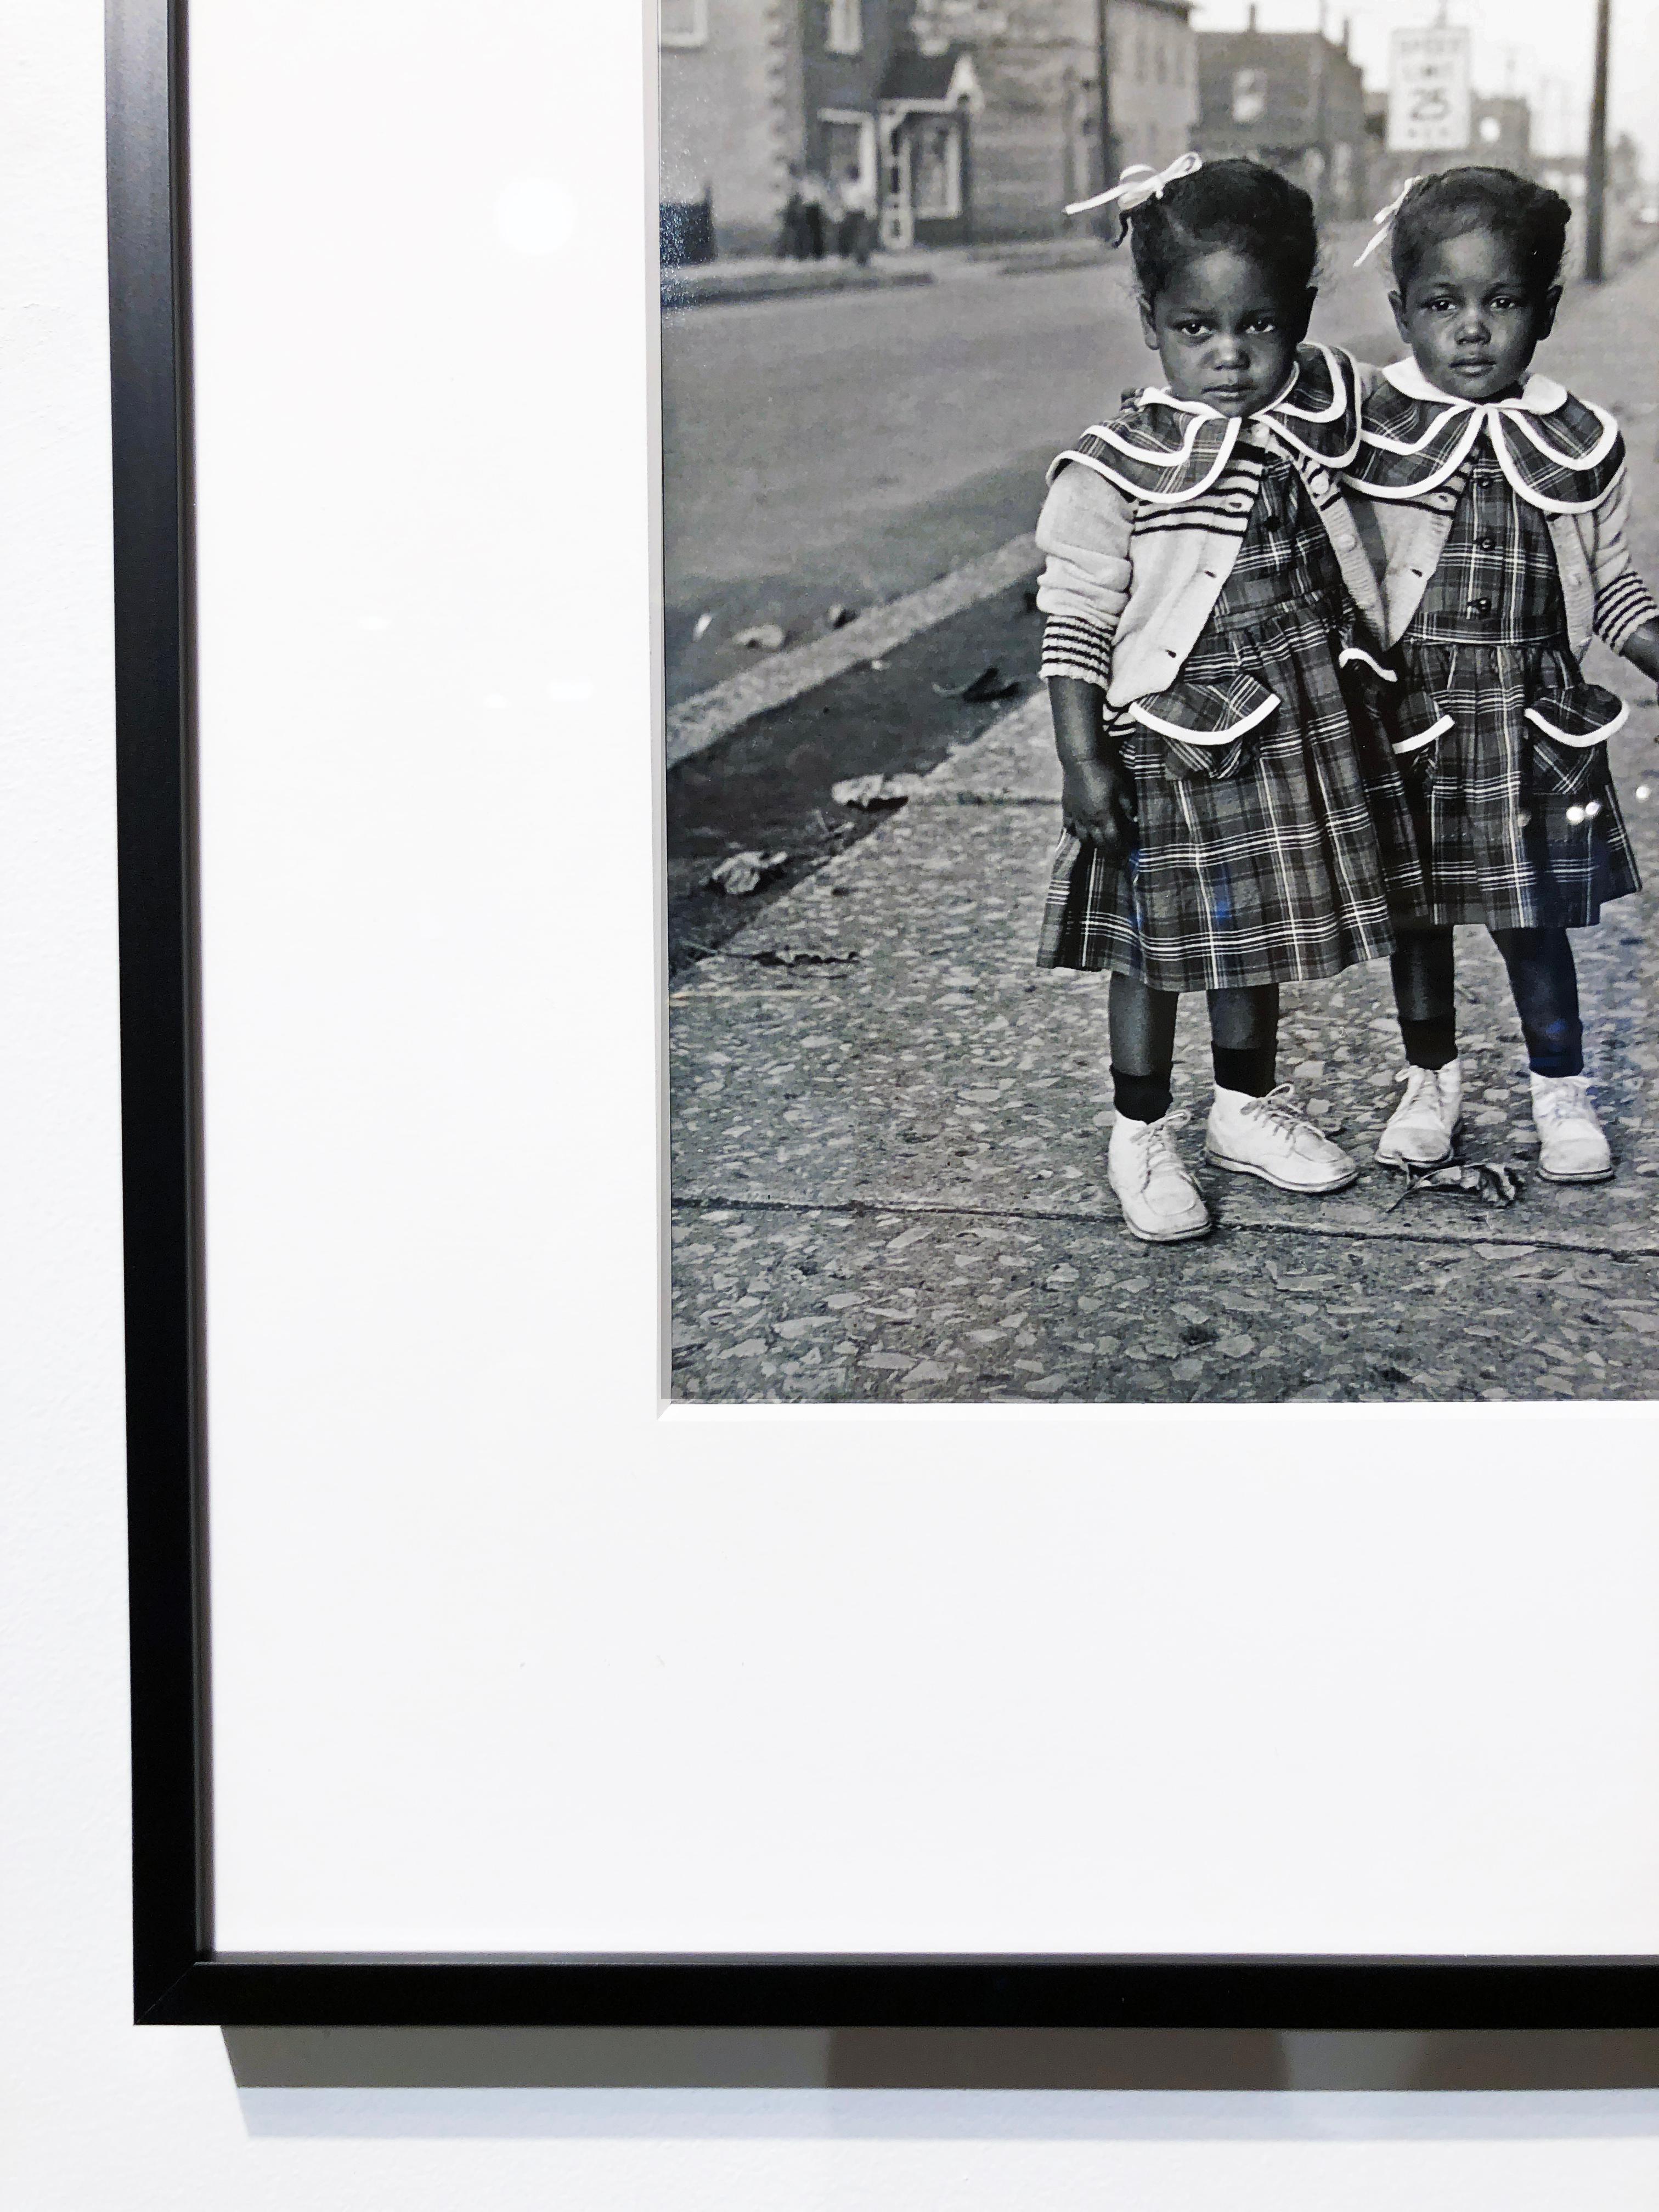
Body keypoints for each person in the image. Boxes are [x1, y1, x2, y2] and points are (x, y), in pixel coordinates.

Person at [1035, 155, 1425, 1244]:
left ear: (1298, 317)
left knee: (1255, 936)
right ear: (1152, 320)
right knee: (1157, 948)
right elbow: (1073, 621)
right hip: (1168, 743)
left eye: (1259, 327)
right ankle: (1140, 1129)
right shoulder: (1117, 469)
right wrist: (1082, 760)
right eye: (1197, 328)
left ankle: (1244, 1107)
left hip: (1289, 731)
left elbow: (1403, 408)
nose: (1230, 355)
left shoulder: (1313, 416)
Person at [1345, 168, 1659, 1184]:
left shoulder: (1575, 447)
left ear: (1545, 311)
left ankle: (1556, 1087)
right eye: (1441, 304)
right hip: (1417, 722)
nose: (1471, 329)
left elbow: (1614, 595)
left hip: (1528, 725)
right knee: (1420, 919)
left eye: (1501, 301)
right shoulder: (1373, 433)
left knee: (1530, 922)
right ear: (1400, 312)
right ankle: (1427, 1078)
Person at [837, 163, 876, 265]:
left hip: (859, 213)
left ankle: (862, 259)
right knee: (846, 234)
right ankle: (845, 255)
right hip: (849, 213)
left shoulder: (862, 187)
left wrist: (870, 212)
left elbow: (867, 201)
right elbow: (843, 201)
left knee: (861, 237)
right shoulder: (846, 187)